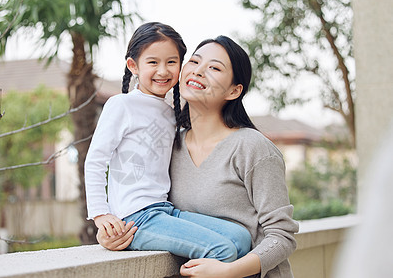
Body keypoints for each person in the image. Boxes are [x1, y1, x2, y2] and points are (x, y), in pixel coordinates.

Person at [97, 35, 299, 278]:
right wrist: (110, 230)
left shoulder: (253, 148)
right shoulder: (169, 144)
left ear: (234, 90)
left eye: (214, 68)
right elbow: (142, 204)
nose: (199, 71)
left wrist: (229, 270)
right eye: (194, 62)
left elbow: (282, 236)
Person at [84, 22, 252, 263]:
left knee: (240, 238)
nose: (162, 71)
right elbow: (96, 161)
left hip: (164, 210)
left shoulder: (172, 113)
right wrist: (101, 215)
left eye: (171, 62)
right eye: (153, 62)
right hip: (136, 218)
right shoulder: (121, 105)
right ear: (134, 66)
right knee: (222, 251)